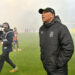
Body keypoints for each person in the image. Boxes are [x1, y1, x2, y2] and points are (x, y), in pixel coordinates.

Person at [39, 7, 74, 75]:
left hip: (59, 70)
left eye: (45, 12)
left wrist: (58, 63)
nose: (43, 15)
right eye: (42, 13)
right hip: (48, 68)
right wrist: (44, 60)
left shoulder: (61, 28)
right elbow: (42, 47)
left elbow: (69, 48)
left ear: (52, 15)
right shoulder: (41, 29)